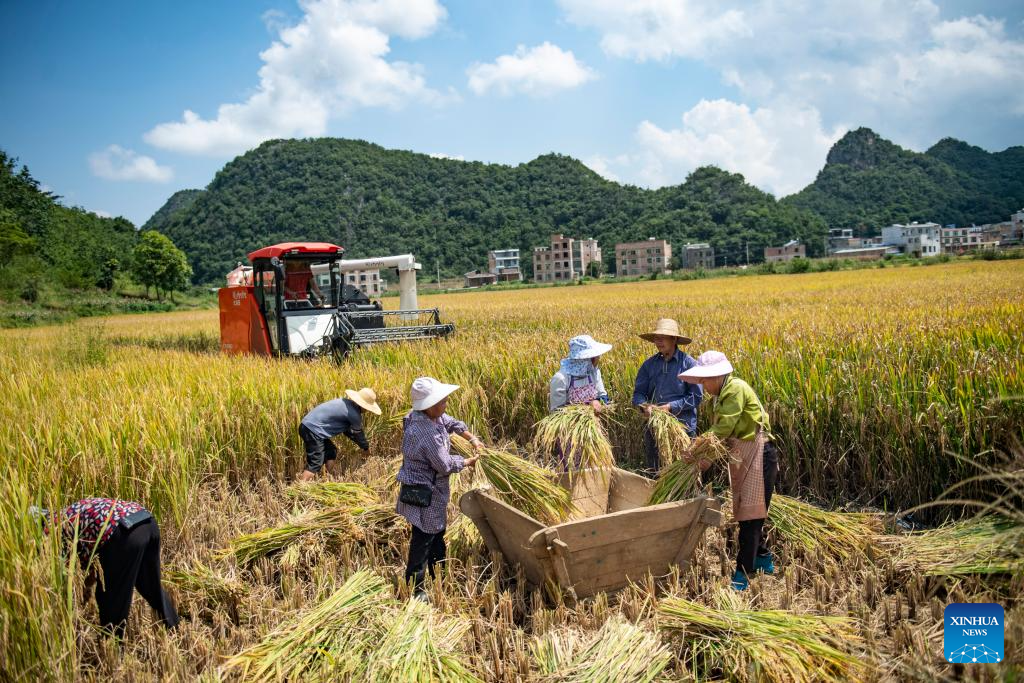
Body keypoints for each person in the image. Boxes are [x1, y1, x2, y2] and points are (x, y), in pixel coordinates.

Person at [678, 351, 778, 591]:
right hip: (743, 456)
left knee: (751, 516)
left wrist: (697, 447)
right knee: (747, 512)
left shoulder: (734, 390)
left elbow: (723, 428)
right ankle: (763, 559)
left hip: (759, 455)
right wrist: (706, 458)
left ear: (718, 375)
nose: (703, 386)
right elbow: (724, 437)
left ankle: (743, 574)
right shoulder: (720, 396)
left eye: (705, 380)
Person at [34, 498, 179, 636]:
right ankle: (174, 628)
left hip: (123, 532)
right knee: (150, 585)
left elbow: (67, 577)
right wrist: (86, 587)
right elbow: (94, 560)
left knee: (109, 596)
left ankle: (112, 644)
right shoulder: (68, 514)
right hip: (146, 521)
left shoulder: (52, 533)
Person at [395, 377, 483, 599]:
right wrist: (467, 462)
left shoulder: (424, 415)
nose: (446, 404)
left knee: (436, 533)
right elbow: (444, 465)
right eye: (442, 402)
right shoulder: (427, 433)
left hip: (431, 488)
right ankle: (416, 590)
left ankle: (439, 575)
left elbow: (450, 422)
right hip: (425, 491)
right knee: (423, 538)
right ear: (429, 406)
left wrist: (472, 439)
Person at [632, 318, 703, 475]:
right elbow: (638, 393)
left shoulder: (689, 364)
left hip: (683, 429)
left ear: (674, 339)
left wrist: (671, 407)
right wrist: (645, 406)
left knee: (683, 473)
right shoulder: (648, 365)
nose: (658, 342)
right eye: (656, 338)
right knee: (656, 471)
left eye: (663, 338)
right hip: (655, 427)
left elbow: (696, 396)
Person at [297, 387, 381, 482]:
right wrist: (365, 448)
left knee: (331, 451)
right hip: (313, 430)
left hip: (308, 426)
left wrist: (362, 445)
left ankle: (327, 479)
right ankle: (299, 487)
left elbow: (348, 432)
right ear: (363, 406)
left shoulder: (345, 403)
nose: (368, 410)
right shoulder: (354, 414)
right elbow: (358, 434)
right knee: (315, 464)